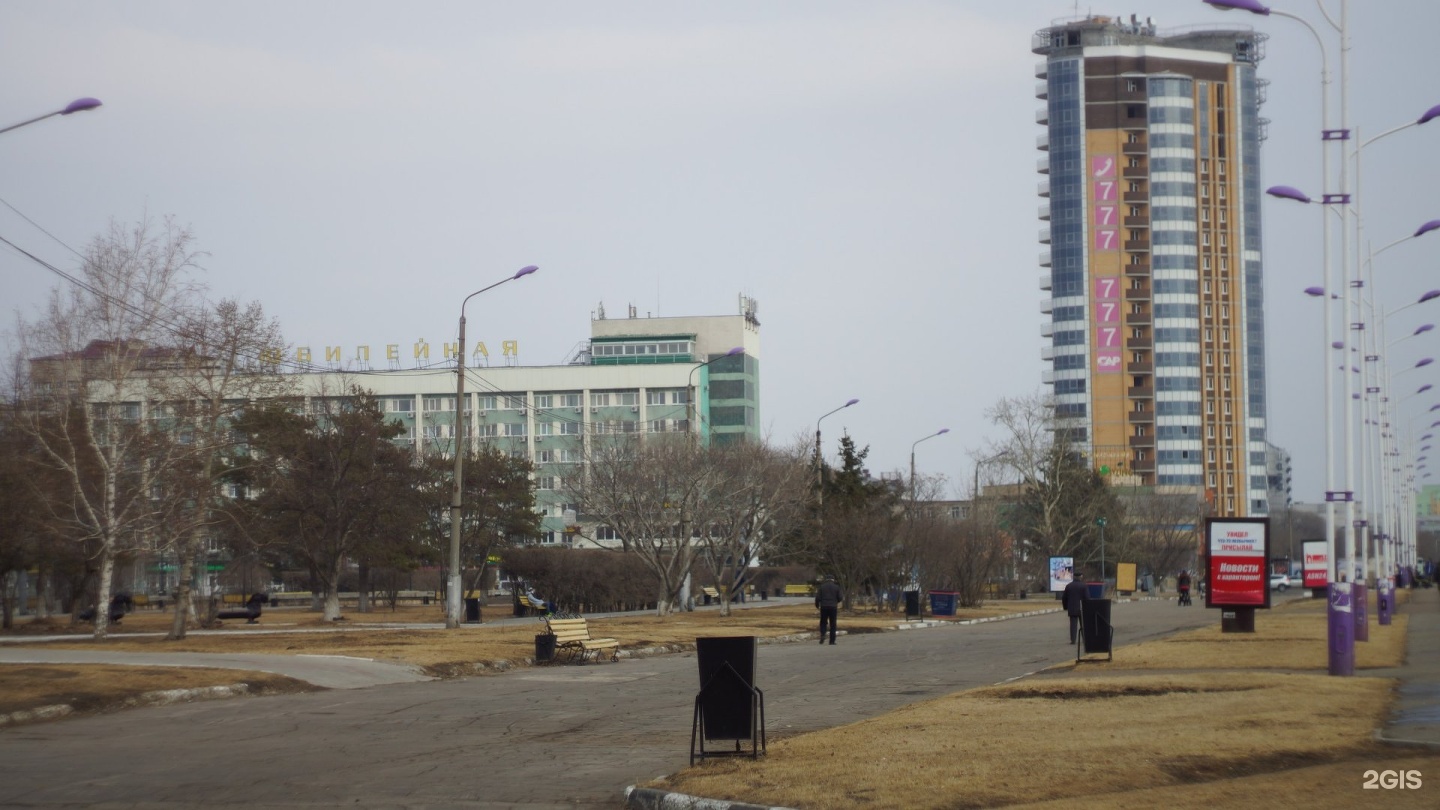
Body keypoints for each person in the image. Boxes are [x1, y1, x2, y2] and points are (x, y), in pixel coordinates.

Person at [815, 575, 843, 645]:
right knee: (833, 624)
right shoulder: (836, 587)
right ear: (833, 579)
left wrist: (817, 605)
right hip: (833, 607)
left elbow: (818, 597)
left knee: (823, 622)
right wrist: (836, 602)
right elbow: (840, 597)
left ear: (826, 579)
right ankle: (832, 641)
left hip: (824, 606)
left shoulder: (822, 587)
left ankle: (823, 634)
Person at [1062, 570, 1088, 645]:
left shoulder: (1069, 586)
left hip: (1072, 608)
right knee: (1083, 624)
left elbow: (1064, 598)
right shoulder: (1084, 586)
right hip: (1082, 608)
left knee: (1073, 625)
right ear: (1080, 577)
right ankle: (1084, 639)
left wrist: (1065, 607)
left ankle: (1073, 640)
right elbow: (1087, 598)